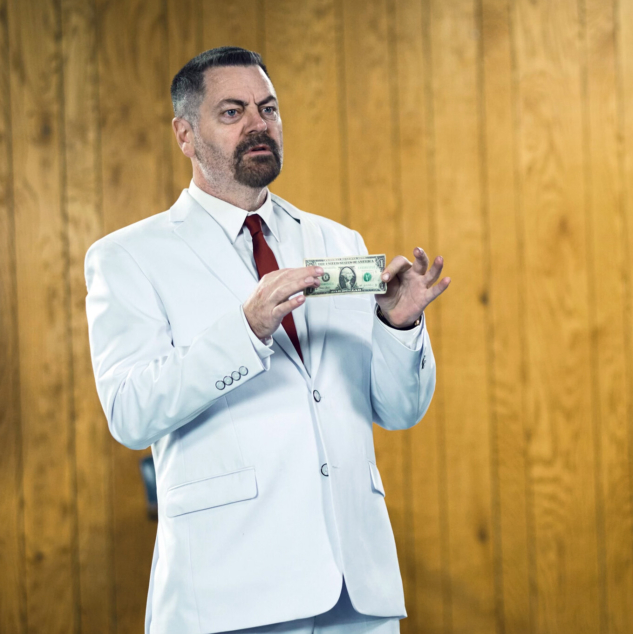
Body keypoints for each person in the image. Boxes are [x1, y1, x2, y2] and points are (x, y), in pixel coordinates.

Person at [84, 47, 451, 634]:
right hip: (230, 594)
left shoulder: (338, 241)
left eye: (268, 108)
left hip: (357, 593)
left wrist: (397, 327)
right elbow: (130, 413)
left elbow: (399, 411)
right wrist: (245, 330)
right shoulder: (129, 257)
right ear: (185, 135)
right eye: (232, 112)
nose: (258, 124)